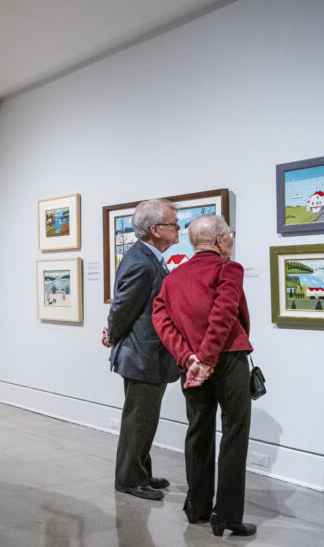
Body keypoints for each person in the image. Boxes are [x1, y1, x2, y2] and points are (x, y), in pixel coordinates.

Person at [152, 215, 256, 537]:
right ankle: (226, 516)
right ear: (221, 239)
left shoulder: (173, 278)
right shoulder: (229, 269)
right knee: (235, 432)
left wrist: (188, 356)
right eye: (231, 236)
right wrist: (208, 359)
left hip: (193, 364)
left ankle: (197, 507)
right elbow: (224, 313)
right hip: (227, 360)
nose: (232, 241)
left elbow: (162, 320)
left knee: (198, 431)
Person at [102, 198, 180, 501]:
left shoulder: (147, 257)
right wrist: (113, 335)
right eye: (173, 224)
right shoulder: (140, 262)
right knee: (138, 420)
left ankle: (141, 473)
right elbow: (122, 308)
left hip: (148, 354)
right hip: (141, 354)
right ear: (155, 229)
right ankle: (129, 480)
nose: (178, 229)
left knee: (145, 419)